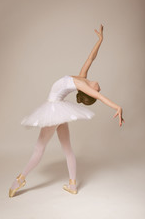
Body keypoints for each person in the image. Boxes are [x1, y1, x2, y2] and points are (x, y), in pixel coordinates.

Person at [9, 24, 125, 197]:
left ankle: (19, 180)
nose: (99, 89)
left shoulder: (83, 86)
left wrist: (117, 107)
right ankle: (72, 185)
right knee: (67, 149)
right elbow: (91, 58)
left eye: (97, 91)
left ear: (90, 93)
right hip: (57, 108)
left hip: (54, 108)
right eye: (98, 90)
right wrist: (100, 40)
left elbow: (100, 97)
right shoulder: (82, 78)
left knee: (39, 149)